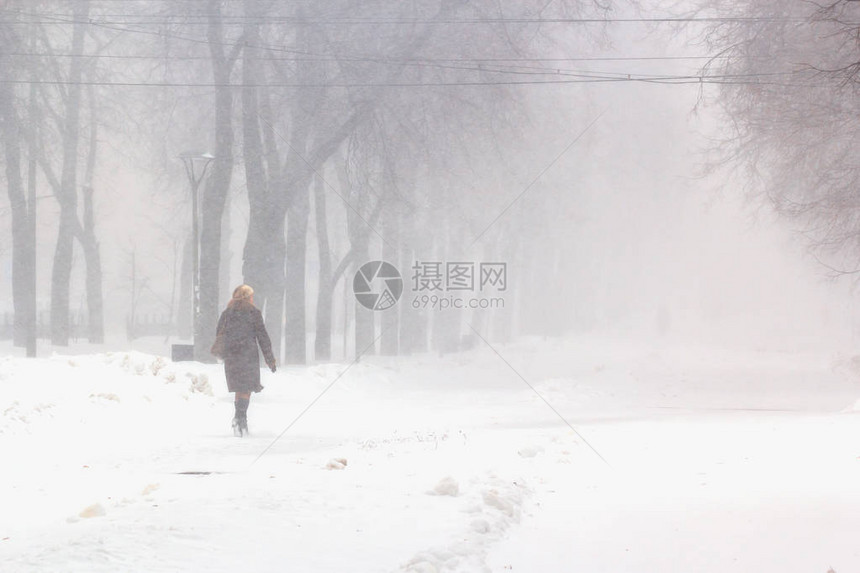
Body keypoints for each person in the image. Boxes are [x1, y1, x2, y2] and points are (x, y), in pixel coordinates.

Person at [215, 284, 276, 436]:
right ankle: (241, 418)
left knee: (239, 388)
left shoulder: (226, 313)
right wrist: (270, 359)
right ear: (248, 297)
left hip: (232, 355)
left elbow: (219, 333)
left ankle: (239, 419)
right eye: (251, 296)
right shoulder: (253, 313)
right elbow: (262, 336)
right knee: (246, 388)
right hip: (248, 355)